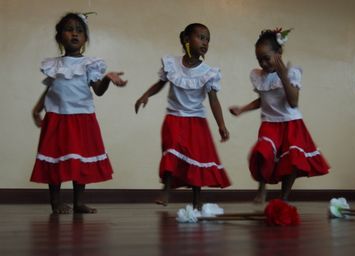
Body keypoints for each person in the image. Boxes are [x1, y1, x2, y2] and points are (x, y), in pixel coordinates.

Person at [31, 12, 127, 214]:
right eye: (69, 29)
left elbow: (98, 91)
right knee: (55, 159)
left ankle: (78, 202)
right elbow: (50, 89)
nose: (74, 34)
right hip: (57, 118)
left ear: (85, 38)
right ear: (59, 37)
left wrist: (108, 78)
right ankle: (56, 202)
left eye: (80, 31)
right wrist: (37, 109)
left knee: (80, 160)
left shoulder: (89, 65)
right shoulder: (53, 65)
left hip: (82, 118)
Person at [135, 23, 231, 209]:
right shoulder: (172, 64)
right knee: (172, 149)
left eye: (207, 39)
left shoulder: (208, 72)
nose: (205, 42)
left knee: (197, 160)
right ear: (186, 40)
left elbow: (213, 100)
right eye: (200, 37)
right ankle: (166, 189)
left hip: (197, 121)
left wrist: (221, 124)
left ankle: (196, 201)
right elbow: (160, 84)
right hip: (174, 118)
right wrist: (145, 95)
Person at [229, 28, 329, 202]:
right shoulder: (258, 76)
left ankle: (283, 198)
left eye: (266, 58)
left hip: (292, 124)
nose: (263, 63)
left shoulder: (292, 73)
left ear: (279, 53)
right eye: (259, 60)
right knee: (262, 152)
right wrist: (242, 109)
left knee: (291, 161)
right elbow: (263, 100)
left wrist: (284, 76)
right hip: (270, 124)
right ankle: (262, 188)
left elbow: (293, 102)